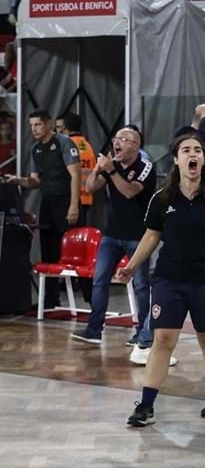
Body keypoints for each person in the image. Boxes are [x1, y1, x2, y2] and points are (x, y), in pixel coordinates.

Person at [118, 133, 205, 428]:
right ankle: (146, 405)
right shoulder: (162, 198)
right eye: (186, 150)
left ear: (203, 160)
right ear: (177, 159)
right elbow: (151, 237)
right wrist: (131, 266)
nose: (192, 154)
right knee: (163, 339)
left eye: (198, 150)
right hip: (170, 279)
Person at [70, 127, 156, 346]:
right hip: (111, 234)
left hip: (138, 237)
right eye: (116, 139)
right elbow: (89, 188)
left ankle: (144, 334)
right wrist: (99, 169)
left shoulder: (145, 167)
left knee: (141, 286)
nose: (117, 143)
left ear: (136, 145)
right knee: (100, 281)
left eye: (124, 140)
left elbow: (129, 191)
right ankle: (94, 329)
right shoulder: (112, 166)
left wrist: (111, 171)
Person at [4, 110, 80, 309]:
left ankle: (89, 297)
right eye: (31, 125)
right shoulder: (36, 149)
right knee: (48, 250)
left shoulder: (64, 143)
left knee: (73, 249)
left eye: (37, 124)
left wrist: (74, 204)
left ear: (48, 124)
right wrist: (19, 180)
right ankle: (50, 299)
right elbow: (35, 180)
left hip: (65, 199)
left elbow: (75, 176)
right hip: (47, 200)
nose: (34, 129)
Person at [59, 112, 95, 227]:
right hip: (86, 196)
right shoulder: (87, 145)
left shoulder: (66, 144)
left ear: (64, 126)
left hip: (71, 199)